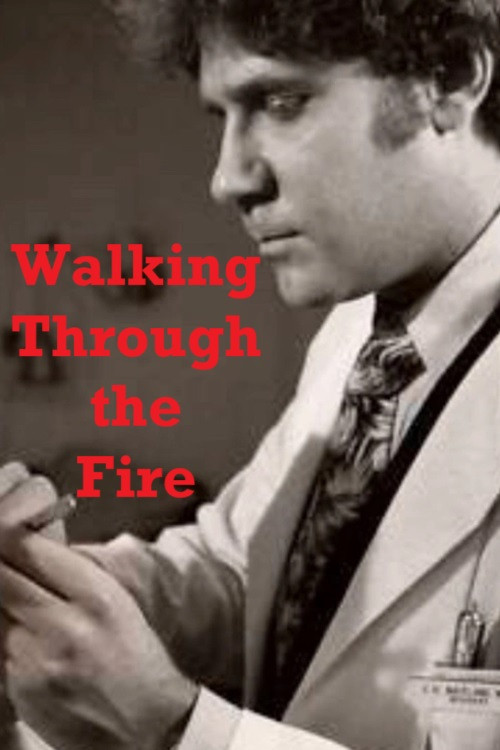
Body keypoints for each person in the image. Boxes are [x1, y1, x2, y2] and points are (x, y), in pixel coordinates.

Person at [2, 0, 500, 748]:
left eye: (282, 101)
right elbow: (246, 571)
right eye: (222, 116)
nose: (227, 179)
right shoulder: (362, 337)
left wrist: (175, 725)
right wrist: (38, 585)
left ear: (451, 80)